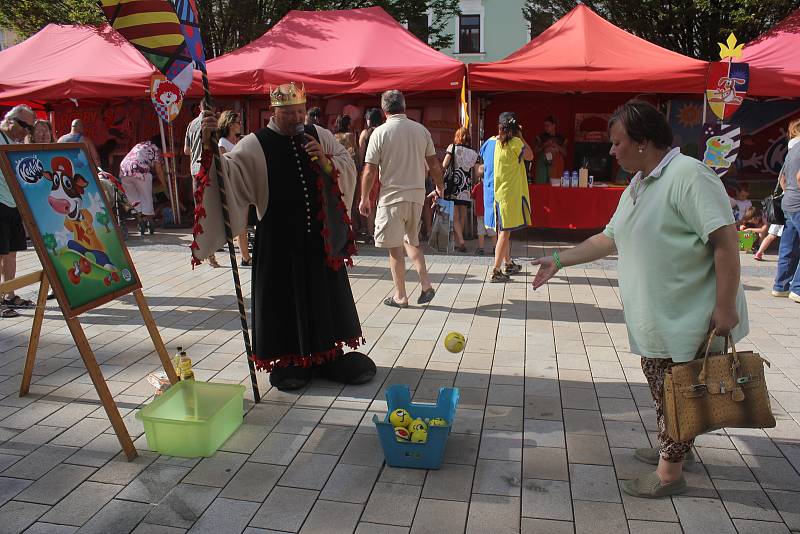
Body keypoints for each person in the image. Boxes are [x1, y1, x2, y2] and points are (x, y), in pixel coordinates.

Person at [532, 100, 748, 498]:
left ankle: (670, 473)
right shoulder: (640, 181)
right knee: (667, 386)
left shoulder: (689, 176)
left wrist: (726, 306)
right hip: (660, 314)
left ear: (644, 142)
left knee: (677, 392)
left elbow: (726, 242)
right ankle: (678, 446)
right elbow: (609, 237)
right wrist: (559, 260)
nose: (611, 151)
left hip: (689, 314)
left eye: (618, 143)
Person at [194, 82, 375, 391]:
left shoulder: (319, 135)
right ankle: (290, 360)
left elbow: (346, 165)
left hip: (320, 241)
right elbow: (227, 177)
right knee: (283, 300)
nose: (297, 118)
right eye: (289, 113)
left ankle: (327, 355)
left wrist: (326, 161)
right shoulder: (254, 144)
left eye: (301, 112)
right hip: (278, 242)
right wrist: (210, 145)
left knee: (323, 296)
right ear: (274, 112)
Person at [360, 90, 443, 308]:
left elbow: (369, 170)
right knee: (411, 241)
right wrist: (439, 186)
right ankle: (425, 284)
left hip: (392, 196)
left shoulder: (379, 133)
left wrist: (364, 198)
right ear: (404, 107)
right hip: (416, 195)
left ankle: (400, 295)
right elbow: (434, 164)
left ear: (384, 109)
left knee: (395, 248)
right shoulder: (421, 130)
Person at [480, 112, 533, 283]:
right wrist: (521, 136)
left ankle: (508, 263)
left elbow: (482, 164)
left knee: (503, 232)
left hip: (491, 194)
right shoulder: (516, 143)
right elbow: (530, 156)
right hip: (507, 196)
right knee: (504, 233)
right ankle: (495, 270)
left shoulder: (488, 143)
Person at [0, 105, 37, 318]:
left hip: (11, 202)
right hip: (1, 201)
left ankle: (9, 293)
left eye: (30, 128)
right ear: (11, 120)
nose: (27, 132)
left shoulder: (13, 141)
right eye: (25, 126)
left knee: (10, 252)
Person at [185, 101, 220, 267]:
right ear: (212, 108)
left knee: (199, 210)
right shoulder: (212, 123)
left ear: (199, 107)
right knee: (209, 210)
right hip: (207, 168)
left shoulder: (191, 124)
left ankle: (200, 249)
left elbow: (186, 150)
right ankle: (209, 253)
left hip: (194, 168)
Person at [217, 110, 252, 267]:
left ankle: (246, 256)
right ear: (231, 125)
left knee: (242, 222)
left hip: (242, 184)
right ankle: (245, 257)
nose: (240, 125)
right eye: (238, 122)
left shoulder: (236, 141)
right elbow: (224, 167)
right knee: (240, 223)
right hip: (233, 186)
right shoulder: (223, 143)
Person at [119, 135, 167, 236]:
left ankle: (141, 221)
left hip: (124, 171)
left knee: (134, 200)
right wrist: (165, 185)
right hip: (140, 171)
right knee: (146, 197)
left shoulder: (140, 145)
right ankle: (149, 221)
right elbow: (159, 170)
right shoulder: (156, 149)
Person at [443, 127, 479, 253]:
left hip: (453, 185)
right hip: (466, 186)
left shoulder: (452, 148)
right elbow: (477, 171)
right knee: (463, 214)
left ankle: (461, 241)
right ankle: (460, 241)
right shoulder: (474, 153)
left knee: (455, 215)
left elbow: (444, 164)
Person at [773, 135, 800, 303]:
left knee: (788, 247)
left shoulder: (794, 149)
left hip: (788, 202)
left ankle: (780, 286)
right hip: (798, 201)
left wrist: (788, 192)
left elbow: (781, 178)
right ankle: (797, 288)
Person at [355, 108, 384, 242]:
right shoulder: (385, 132)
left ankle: (371, 233)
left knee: (368, 202)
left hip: (369, 170)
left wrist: (360, 170)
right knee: (381, 202)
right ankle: (382, 230)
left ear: (368, 119)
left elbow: (361, 155)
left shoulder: (365, 133)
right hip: (384, 170)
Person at [470, 166, 496, 255]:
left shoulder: (477, 187)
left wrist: (474, 208)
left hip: (480, 212)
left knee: (480, 231)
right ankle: (495, 248)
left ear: (479, 176)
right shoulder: (492, 186)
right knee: (492, 231)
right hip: (490, 212)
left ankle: (481, 248)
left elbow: (472, 197)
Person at [534, 115, 567, 185]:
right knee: (541, 186)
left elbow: (565, 153)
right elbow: (535, 151)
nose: (545, 128)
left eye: (547, 125)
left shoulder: (561, 138)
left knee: (555, 186)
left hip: (556, 165)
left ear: (554, 125)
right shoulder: (541, 137)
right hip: (543, 165)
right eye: (544, 126)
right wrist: (545, 145)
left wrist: (556, 146)